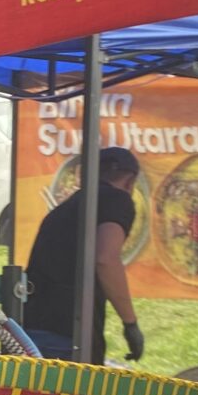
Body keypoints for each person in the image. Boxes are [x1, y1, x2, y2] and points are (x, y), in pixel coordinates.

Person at [19, 145, 146, 364]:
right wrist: (130, 324)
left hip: (33, 326)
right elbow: (105, 259)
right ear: (129, 182)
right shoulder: (117, 199)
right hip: (68, 333)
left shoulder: (70, 205)